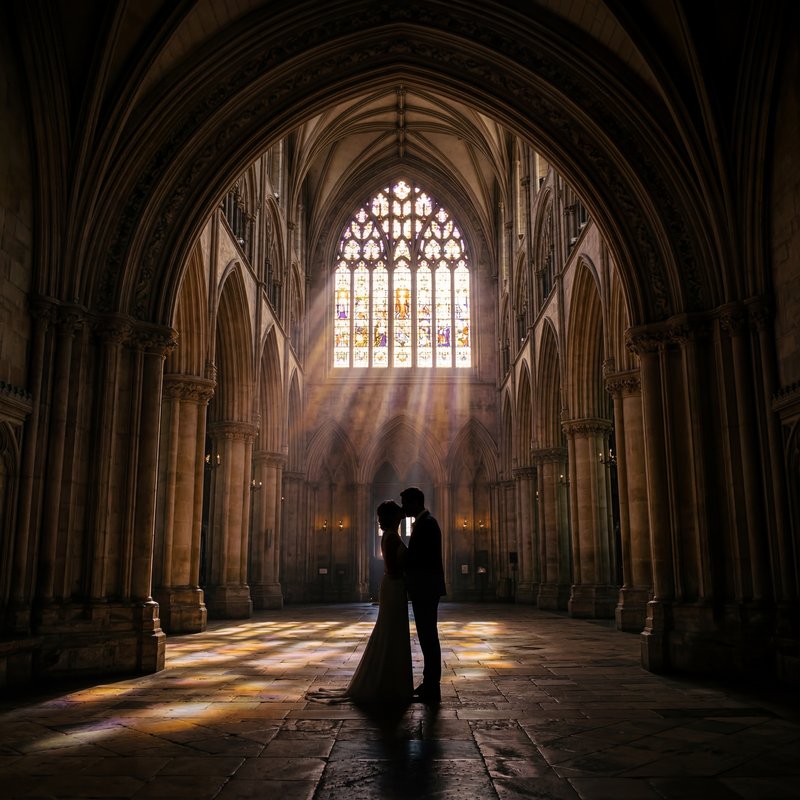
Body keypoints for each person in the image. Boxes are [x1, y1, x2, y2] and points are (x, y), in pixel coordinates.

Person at [306, 500, 413, 707]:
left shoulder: (390, 535)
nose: (402, 515)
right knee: (391, 631)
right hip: (394, 585)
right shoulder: (391, 537)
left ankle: (389, 680)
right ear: (393, 517)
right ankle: (388, 682)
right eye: (398, 513)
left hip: (393, 586)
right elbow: (396, 566)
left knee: (390, 631)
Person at [401, 486, 446, 705]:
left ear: (415, 502)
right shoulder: (425, 522)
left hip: (426, 588)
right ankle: (429, 684)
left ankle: (432, 686)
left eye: (405, 503)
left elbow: (421, 558)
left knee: (428, 637)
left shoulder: (427, 523)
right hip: (425, 587)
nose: (403, 508)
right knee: (427, 636)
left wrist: (403, 558)